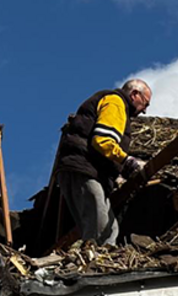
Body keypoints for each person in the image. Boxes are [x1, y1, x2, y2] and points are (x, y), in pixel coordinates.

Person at [54, 78, 152, 245]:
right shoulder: (116, 102)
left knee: (110, 230)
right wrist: (127, 161)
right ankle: (93, 265)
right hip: (83, 169)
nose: (144, 111)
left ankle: (100, 260)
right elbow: (103, 141)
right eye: (145, 103)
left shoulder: (113, 102)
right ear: (135, 94)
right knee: (99, 231)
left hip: (83, 169)